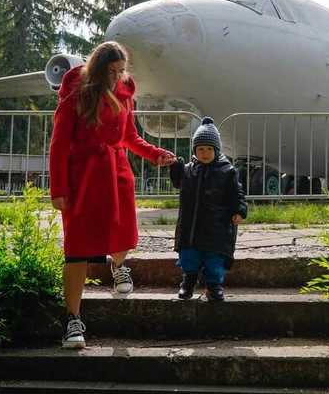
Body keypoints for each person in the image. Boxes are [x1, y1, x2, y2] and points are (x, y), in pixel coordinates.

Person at [48, 41, 177, 350]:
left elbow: (129, 137)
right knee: (76, 250)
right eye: (112, 72)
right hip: (82, 176)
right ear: (98, 69)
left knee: (124, 237)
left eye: (121, 71)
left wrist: (154, 153)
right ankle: (72, 321)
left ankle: (118, 265)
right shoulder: (77, 92)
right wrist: (59, 189)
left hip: (116, 172)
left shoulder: (125, 92)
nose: (118, 77)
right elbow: (59, 143)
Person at [169, 116, 248, 301]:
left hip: (217, 226)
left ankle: (214, 285)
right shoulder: (188, 169)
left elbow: (237, 193)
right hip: (191, 227)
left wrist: (239, 210)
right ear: (195, 150)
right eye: (200, 149)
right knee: (189, 256)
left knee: (214, 259)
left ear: (217, 150)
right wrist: (175, 167)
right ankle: (188, 282)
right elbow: (177, 182)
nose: (204, 153)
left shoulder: (227, 171)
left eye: (209, 149)